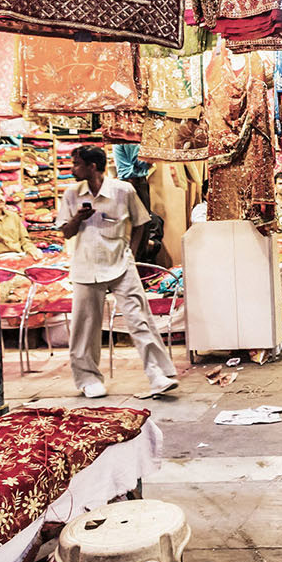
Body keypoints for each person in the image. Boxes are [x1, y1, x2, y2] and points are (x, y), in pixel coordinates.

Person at [57, 145, 178, 398]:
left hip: (121, 264)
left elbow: (141, 223)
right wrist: (78, 218)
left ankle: (158, 374)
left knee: (139, 318)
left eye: (77, 164)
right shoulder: (71, 194)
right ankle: (88, 379)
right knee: (85, 326)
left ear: (92, 166)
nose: (72, 168)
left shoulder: (124, 190)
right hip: (85, 267)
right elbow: (66, 232)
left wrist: (131, 252)